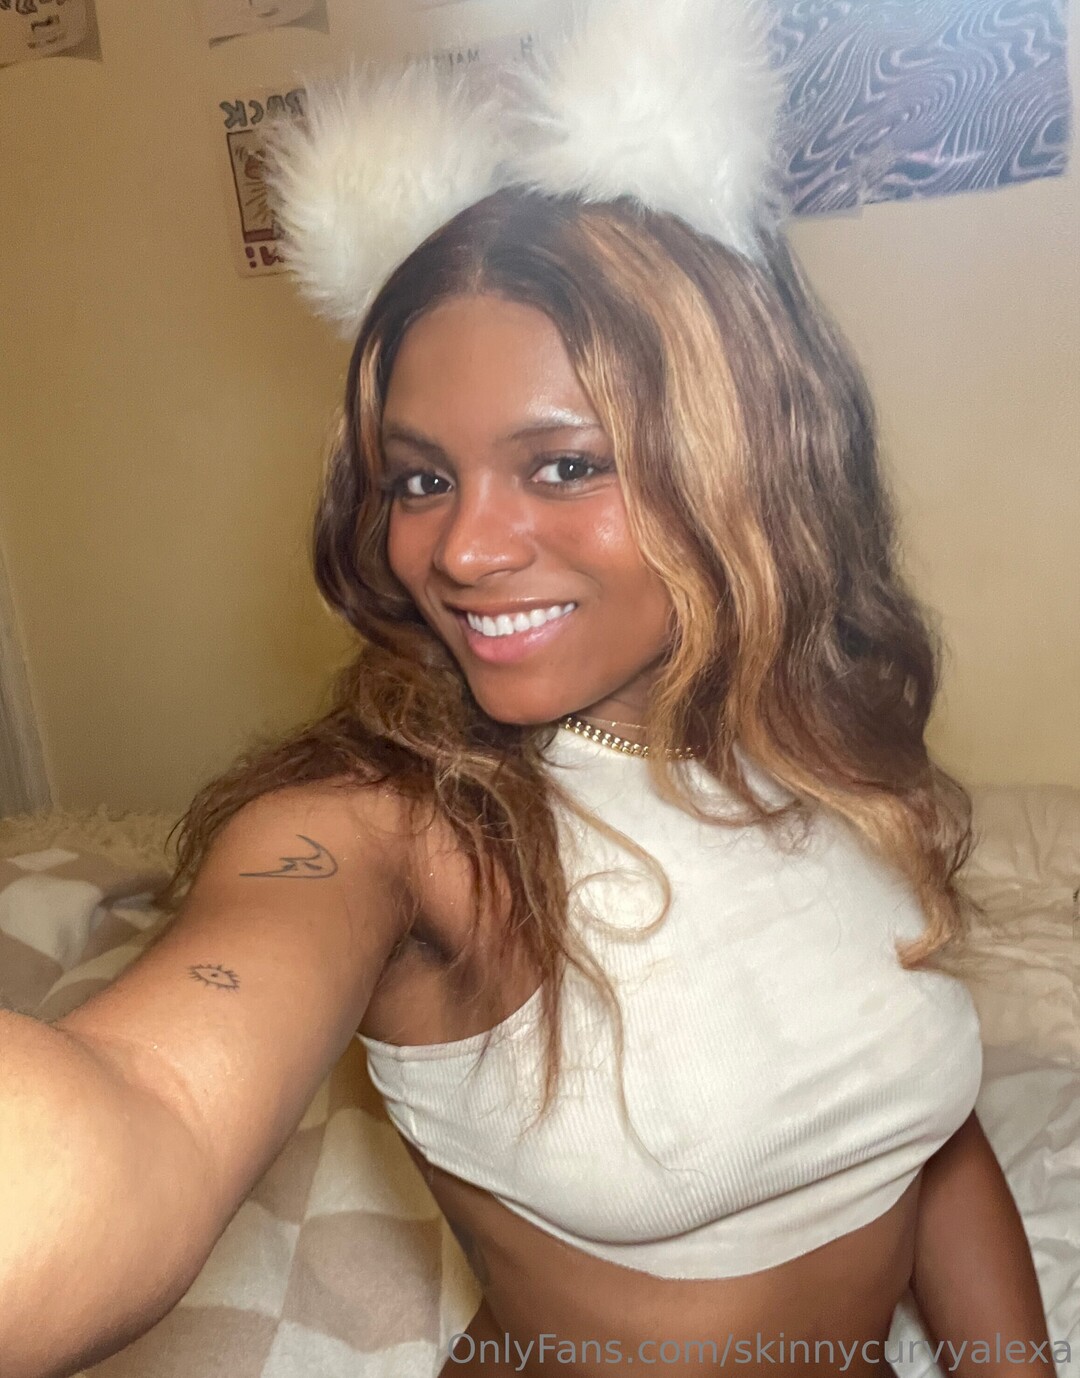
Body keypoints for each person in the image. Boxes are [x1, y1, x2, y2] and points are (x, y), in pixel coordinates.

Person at [0, 2, 1056, 1376]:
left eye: (562, 464)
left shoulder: (821, 744)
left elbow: (922, 1131)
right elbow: (140, 1117)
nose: (460, 548)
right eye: (420, 478)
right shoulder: (391, 827)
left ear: (744, 463)